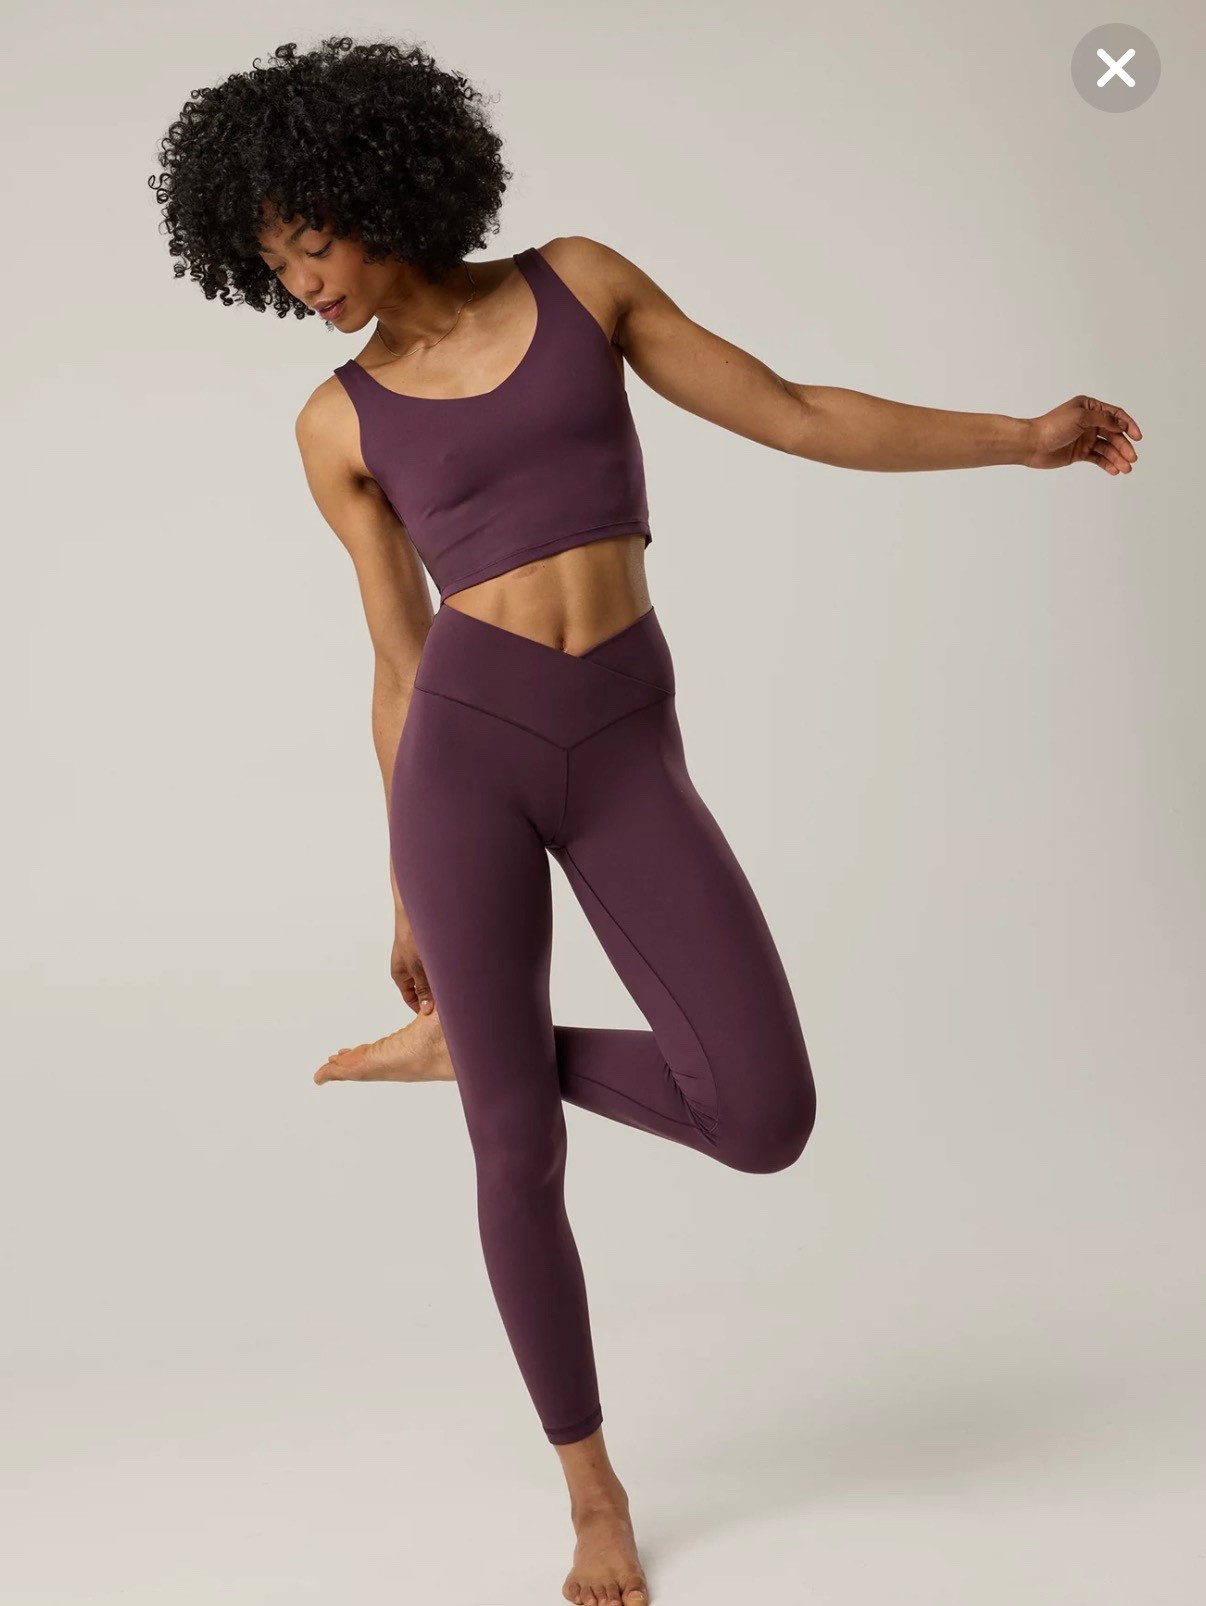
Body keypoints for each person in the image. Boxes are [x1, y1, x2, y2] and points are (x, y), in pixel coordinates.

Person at [149, 35, 1141, 1606]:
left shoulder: (580, 283)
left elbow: (795, 411)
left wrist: (1015, 438)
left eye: (313, 241)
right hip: (465, 761)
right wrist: (403, 883)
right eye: (273, 264)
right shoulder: (336, 424)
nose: (304, 283)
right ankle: (592, 1491)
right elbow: (397, 662)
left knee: (759, 1113)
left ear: (376, 190)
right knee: (515, 1149)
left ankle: (483, 1043)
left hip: (622, 746)